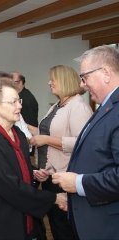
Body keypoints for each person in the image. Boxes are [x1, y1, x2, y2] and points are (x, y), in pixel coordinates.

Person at [0, 74, 67, 240]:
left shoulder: (18, 134)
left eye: (18, 101)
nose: (19, 106)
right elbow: (9, 186)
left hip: (20, 217)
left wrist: (33, 173)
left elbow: (15, 168)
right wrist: (54, 198)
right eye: (12, 102)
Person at [52, 45, 119, 240]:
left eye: (85, 77)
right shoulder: (107, 105)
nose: (82, 84)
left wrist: (79, 183)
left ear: (105, 73)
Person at [29, 65, 92, 240]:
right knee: (56, 224)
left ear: (64, 80)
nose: (49, 83)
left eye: (53, 79)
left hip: (66, 175)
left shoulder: (78, 106)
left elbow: (82, 143)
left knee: (64, 227)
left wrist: (47, 140)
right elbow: (48, 133)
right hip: (52, 175)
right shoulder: (58, 105)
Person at [12, 72, 38, 156]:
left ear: (20, 82)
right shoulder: (20, 96)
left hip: (26, 142)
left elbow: (28, 124)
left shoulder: (26, 99)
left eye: (12, 82)